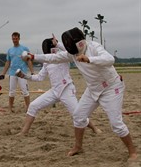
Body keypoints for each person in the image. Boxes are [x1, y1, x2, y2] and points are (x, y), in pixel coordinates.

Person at [21, 27, 137, 162]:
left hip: (111, 88)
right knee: (78, 116)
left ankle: (132, 152)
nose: (68, 46)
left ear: (79, 42)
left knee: (116, 124)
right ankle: (78, 147)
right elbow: (53, 57)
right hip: (93, 89)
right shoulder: (72, 54)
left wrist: (89, 59)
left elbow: (109, 59)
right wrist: (33, 56)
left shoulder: (94, 46)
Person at [16, 34, 101, 135]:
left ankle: (94, 128)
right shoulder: (46, 63)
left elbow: (72, 52)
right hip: (54, 91)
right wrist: (25, 76)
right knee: (33, 106)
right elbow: (39, 77)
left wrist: (58, 44)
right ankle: (24, 131)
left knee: (77, 114)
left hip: (67, 89)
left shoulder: (63, 57)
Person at [0, 32, 34, 112]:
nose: (15, 40)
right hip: (12, 73)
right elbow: (8, 62)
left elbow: (29, 61)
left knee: (25, 91)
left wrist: (32, 72)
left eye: (16, 38)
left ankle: (28, 108)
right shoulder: (10, 50)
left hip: (22, 73)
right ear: (12, 39)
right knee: (11, 92)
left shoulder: (24, 49)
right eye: (13, 39)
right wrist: (3, 74)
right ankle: (10, 108)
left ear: (19, 38)